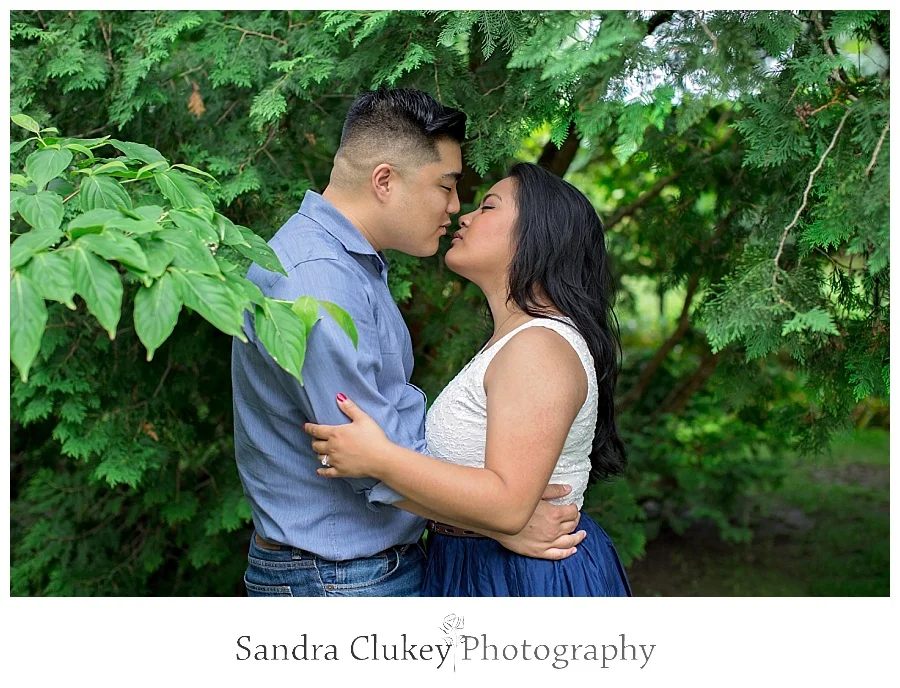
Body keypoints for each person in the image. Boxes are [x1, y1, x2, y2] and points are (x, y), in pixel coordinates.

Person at [231, 89, 587, 597]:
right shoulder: (319, 280)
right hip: (339, 580)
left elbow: (382, 447)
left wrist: (498, 513)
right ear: (384, 181)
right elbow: (360, 456)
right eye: (446, 185)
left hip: (352, 572)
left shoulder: (346, 264)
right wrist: (500, 520)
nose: (456, 206)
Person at [304, 162, 633, 596]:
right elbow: (500, 508)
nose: (464, 215)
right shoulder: (519, 341)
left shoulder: (539, 347)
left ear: (539, 234)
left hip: (523, 579)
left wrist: (380, 459)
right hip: (483, 564)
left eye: (488, 207)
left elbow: (508, 505)